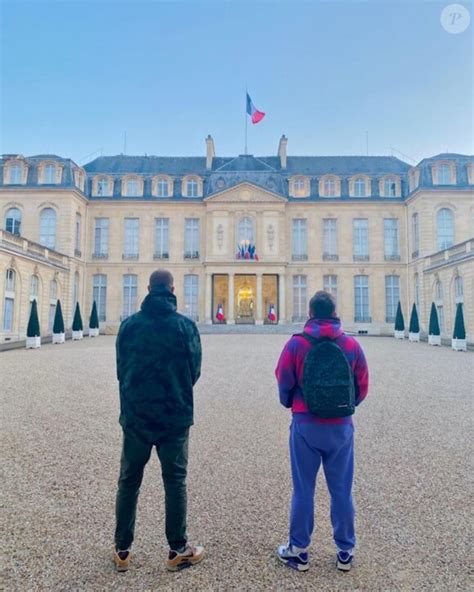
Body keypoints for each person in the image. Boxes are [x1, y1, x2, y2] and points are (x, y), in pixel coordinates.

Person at [113, 269, 204, 572]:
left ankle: (122, 550)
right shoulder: (185, 327)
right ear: (173, 289)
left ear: (148, 288)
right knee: (175, 482)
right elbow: (194, 372)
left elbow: (121, 370)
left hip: (137, 418)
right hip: (174, 417)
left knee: (129, 482)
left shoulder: (129, 327)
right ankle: (177, 549)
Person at [275, 291, 369, 572]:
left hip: (305, 423)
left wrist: (293, 403)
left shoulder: (297, 344)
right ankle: (345, 552)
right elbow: (362, 385)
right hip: (340, 427)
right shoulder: (350, 344)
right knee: (342, 490)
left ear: (310, 313)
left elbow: (283, 380)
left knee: (303, 489)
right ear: (335, 311)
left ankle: (299, 551)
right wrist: (344, 406)